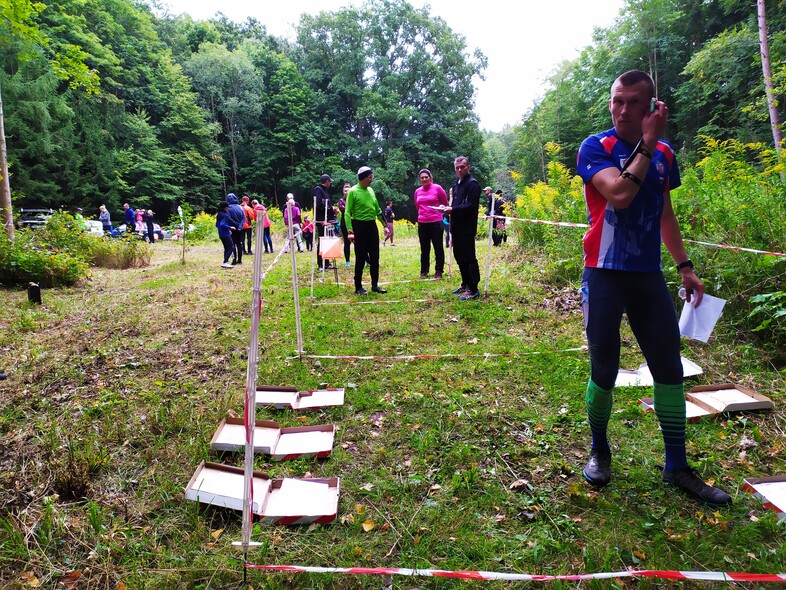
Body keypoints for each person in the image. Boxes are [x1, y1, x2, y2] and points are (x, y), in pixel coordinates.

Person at [576, 69, 731, 508]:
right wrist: (647, 143)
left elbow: (664, 211)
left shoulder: (664, 153)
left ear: (651, 108)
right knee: (604, 370)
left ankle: (677, 465)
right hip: (603, 274)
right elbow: (620, 194)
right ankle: (600, 451)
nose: (622, 110)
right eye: (616, 101)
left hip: (646, 276)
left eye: (632, 103)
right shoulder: (595, 147)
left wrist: (685, 266)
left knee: (669, 368)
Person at [345, 166, 388, 295]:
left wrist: (385, 224)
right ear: (363, 178)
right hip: (359, 226)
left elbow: (377, 210)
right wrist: (350, 231)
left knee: (375, 257)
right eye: (370, 177)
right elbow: (347, 212)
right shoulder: (353, 191)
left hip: (371, 226)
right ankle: (358, 286)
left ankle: (375, 285)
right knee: (361, 257)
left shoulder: (371, 190)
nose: (372, 179)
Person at [446, 156, 481, 300]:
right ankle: (465, 283)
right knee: (459, 257)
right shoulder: (457, 184)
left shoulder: (473, 184)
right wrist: (447, 208)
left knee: (469, 257)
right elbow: (456, 204)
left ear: (468, 167)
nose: (459, 170)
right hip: (456, 226)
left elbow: (470, 206)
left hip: (467, 227)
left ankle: (473, 289)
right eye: (457, 167)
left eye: (462, 167)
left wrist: (452, 210)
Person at [414, 168, 449, 279]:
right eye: (422, 177)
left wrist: (441, 210)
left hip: (436, 222)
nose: (424, 179)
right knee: (424, 248)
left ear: (430, 178)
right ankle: (424, 271)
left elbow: (445, 203)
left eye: (426, 177)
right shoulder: (417, 191)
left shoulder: (437, 188)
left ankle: (438, 271)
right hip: (422, 222)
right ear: (420, 179)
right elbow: (417, 206)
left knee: (438, 247)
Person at [314, 174, 336, 269]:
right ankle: (321, 264)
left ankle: (326, 262)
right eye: (329, 181)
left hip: (328, 219)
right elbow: (319, 204)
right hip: (322, 220)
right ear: (327, 181)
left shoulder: (324, 191)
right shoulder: (318, 190)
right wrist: (331, 208)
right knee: (322, 240)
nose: (330, 183)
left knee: (327, 241)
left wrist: (332, 209)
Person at [226, 194, 246, 264]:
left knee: (232, 244)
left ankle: (234, 260)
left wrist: (235, 225)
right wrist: (240, 226)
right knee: (239, 244)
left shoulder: (228, 208)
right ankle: (240, 260)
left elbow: (228, 218)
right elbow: (244, 217)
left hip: (232, 229)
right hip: (240, 229)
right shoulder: (240, 207)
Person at [215, 201, 235, 268]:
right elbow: (223, 224)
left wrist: (227, 229)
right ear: (225, 208)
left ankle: (225, 262)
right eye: (227, 207)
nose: (228, 209)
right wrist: (230, 228)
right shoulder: (225, 215)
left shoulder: (219, 214)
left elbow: (217, 225)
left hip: (221, 233)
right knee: (231, 247)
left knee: (226, 248)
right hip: (225, 234)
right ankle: (225, 262)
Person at [338, 183, 352, 267]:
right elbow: (342, 209)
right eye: (345, 190)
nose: (346, 192)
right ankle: (347, 261)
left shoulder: (354, 199)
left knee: (359, 242)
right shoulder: (341, 200)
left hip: (354, 223)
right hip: (344, 224)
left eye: (348, 190)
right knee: (347, 242)